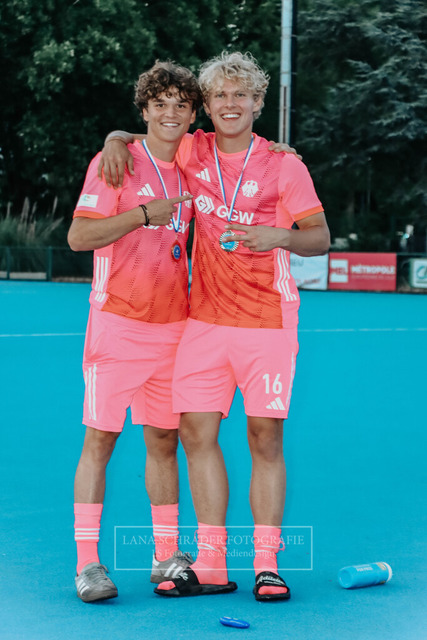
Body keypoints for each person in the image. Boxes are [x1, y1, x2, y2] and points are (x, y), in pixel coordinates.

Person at [100, 51, 329, 601]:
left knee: (264, 437)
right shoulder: (192, 148)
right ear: (207, 104)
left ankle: (267, 563)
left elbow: (320, 237)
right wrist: (113, 138)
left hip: (268, 321)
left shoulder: (284, 165)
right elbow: (149, 133)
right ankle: (211, 563)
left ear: (257, 102)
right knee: (195, 435)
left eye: (240, 94)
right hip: (203, 323)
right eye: (220, 95)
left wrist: (280, 237)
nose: (230, 104)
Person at [68, 60, 203, 603]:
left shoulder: (193, 162)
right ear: (144, 109)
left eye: (181, 105)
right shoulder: (116, 161)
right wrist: (143, 214)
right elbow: (79, 236)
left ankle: (165, 555)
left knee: (164, 442)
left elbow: (239, 144)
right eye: (160, 103)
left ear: (192, 116)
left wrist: (281, 151)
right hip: (117, 326)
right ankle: (87, 565)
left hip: (173, 331)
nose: (170, 113)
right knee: (100, 440)